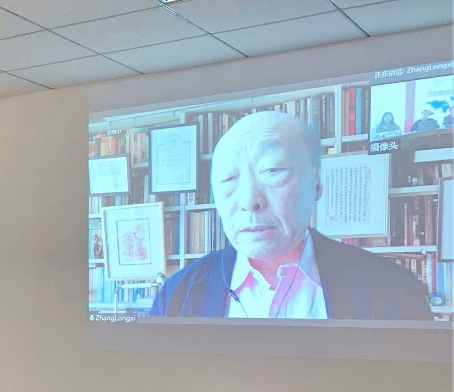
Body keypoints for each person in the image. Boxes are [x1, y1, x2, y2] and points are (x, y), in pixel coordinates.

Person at [149, 111, 430, 320]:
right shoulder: (176, 296)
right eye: (228, 179)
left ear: (316, 182)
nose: (249, 201)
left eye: (273, 171)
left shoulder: (393, 289)